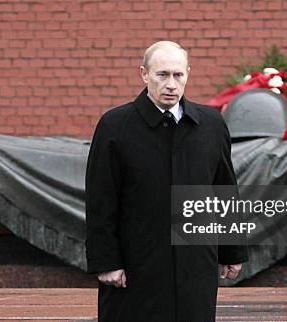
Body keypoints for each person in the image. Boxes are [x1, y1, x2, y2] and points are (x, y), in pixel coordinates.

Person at [85, 41, 248, 322]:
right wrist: (107, 262)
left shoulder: (211, 125)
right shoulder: (115, 126)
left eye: (178, 75)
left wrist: (232, 249)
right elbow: (101, 198)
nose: (171, 84)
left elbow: (224, 190)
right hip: (137, 267)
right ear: (144, 74)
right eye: (162, 75)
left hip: (196, 265)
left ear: (187, 74)